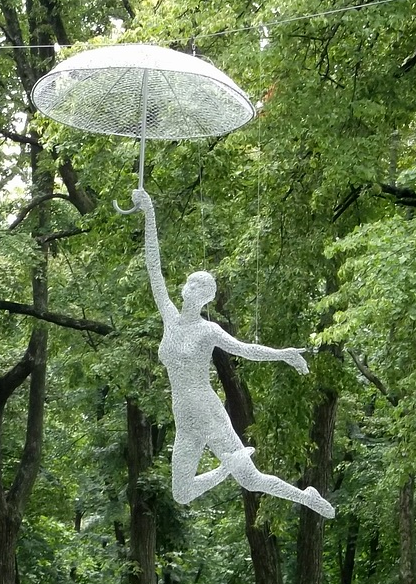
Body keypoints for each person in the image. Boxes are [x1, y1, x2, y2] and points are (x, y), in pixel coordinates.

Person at [129, 188, 334, 519]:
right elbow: (153, 266)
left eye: (205, 290)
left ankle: (306, 496)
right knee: (181, 492)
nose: (198, 292)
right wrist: (149, 210)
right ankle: (227, 469)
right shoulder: (169, 317)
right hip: (184, 419)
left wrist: (283, 354)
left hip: (207, 411)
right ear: (184, 289)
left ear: (208, 299)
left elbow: (245, 350)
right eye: (194, 286)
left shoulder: (208, 330)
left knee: (251, 479)